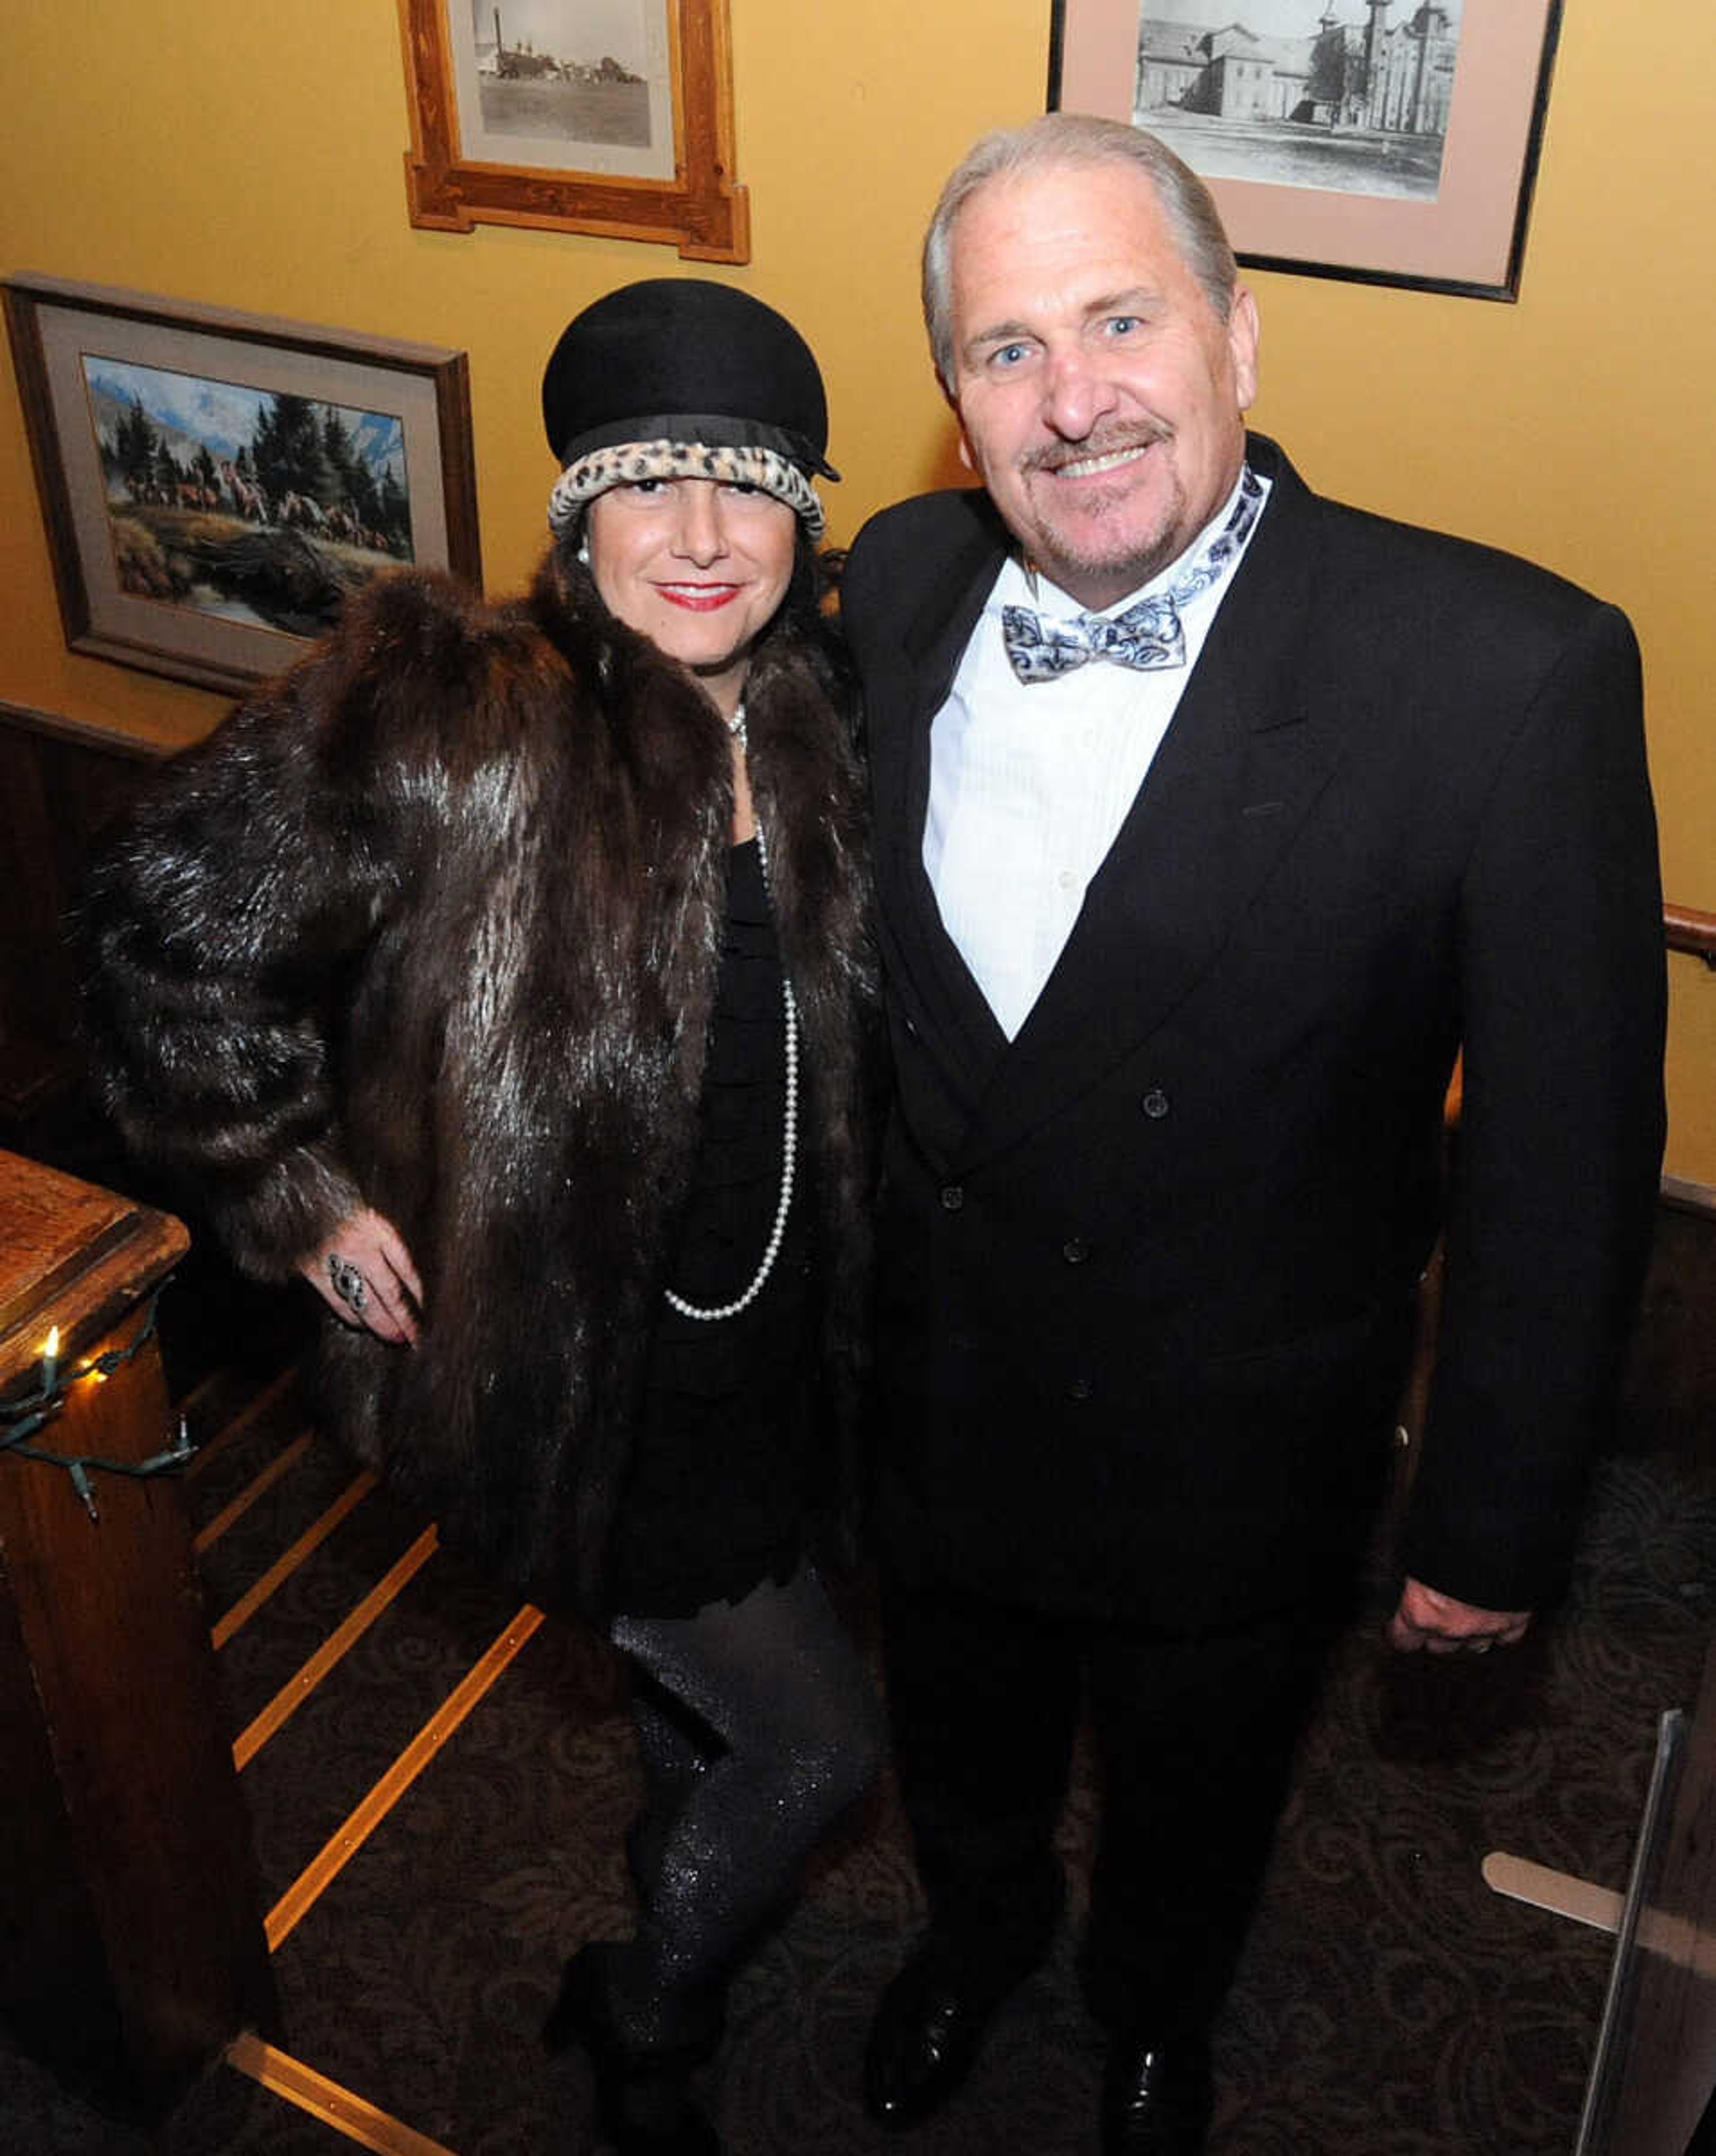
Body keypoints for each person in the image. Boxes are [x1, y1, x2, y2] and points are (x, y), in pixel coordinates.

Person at [840, 114, 1666, 2156]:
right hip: (932, 1407)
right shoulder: (898, 577)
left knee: (1201, 1783)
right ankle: (979, 1932)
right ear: (954, 404)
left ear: (1241, 334)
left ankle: (1150, 2008)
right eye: (1007, 349)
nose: (1074, 395)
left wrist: (1489, 1527)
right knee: (955, 1744)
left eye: (1123, 319)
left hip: (1235, 1450)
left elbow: (1563, 1160)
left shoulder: (1502, 671)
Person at [82, 277, 882, 2156]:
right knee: (817, 1744)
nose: (700, 540)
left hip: (778, 1347)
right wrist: (296, 1191)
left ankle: (678, 1816)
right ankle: (647, 2010)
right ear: (573, 518)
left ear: (805, 526)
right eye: (649, 486)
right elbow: (148, 930)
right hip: (577, 1380)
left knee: (722, 1705)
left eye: (750, 490)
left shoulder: (826, 715)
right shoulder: (458, 712)